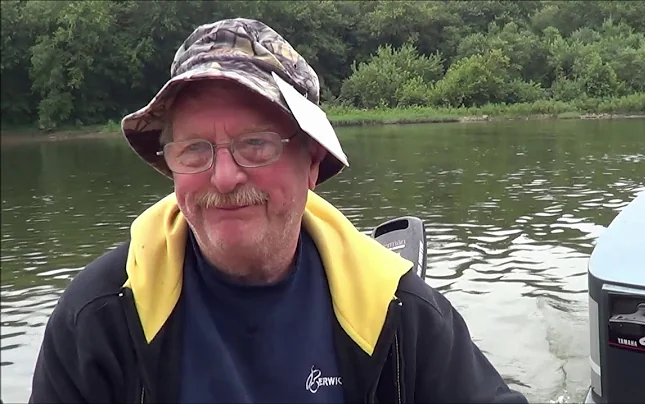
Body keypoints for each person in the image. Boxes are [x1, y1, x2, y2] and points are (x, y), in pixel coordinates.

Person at [29, 18, 528, 404]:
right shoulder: (98, 319)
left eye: (256, 144)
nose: (223, 178)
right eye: (195, 149)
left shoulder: (399, 313)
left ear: (310, 161)